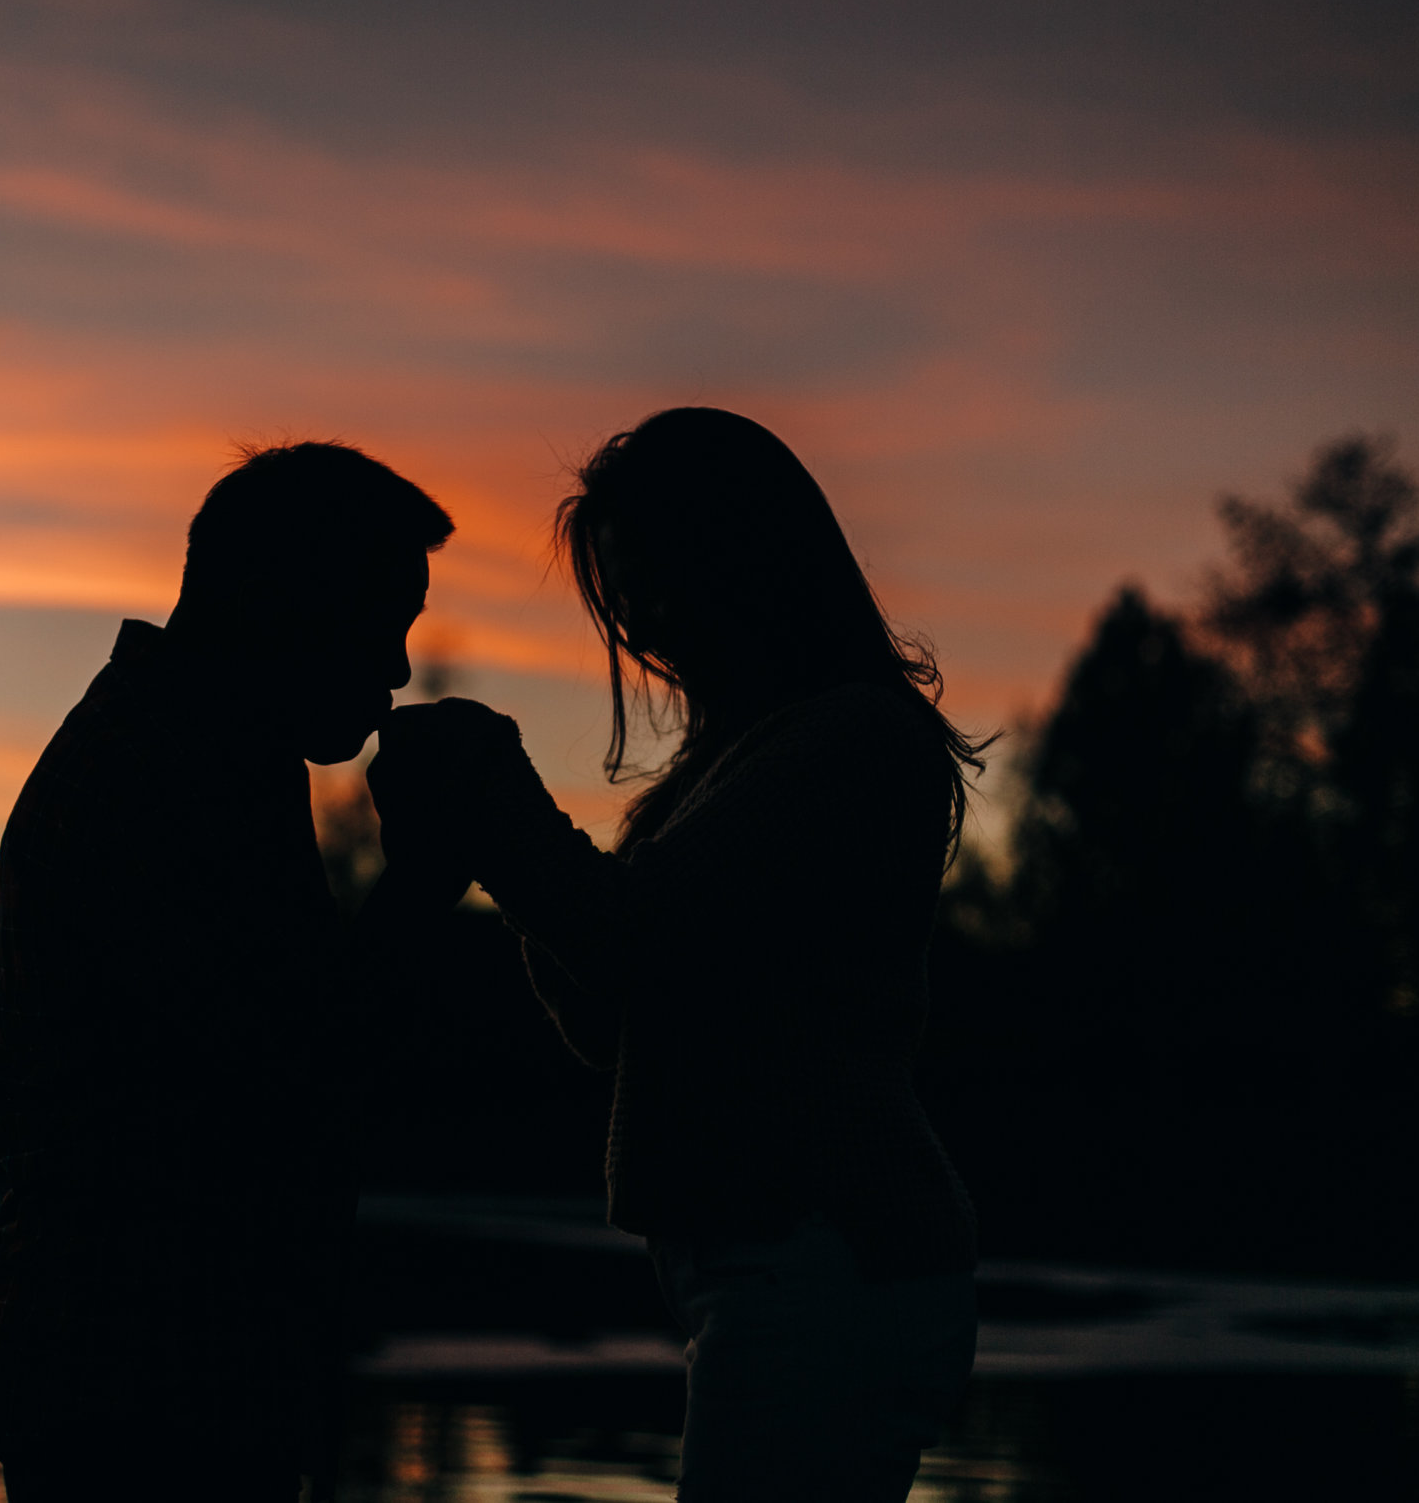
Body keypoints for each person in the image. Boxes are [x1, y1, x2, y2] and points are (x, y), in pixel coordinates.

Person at [370, 407, 986, 1501]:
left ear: (743, 557)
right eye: (620, 592)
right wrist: (495, 848)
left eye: (652, 579)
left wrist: (501, 811)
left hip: (831, 1246)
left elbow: (637, 942)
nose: (641, 621)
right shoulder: (726, 765)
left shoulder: (852, 742)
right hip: (763, 1261)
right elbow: (609, 1018)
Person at [0, 441, 465, 1502]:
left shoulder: (185, 747)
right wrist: (426, 875)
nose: (394, 670)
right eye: (383, 620)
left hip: (130, 1360)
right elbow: (300, 1065)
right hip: (146, 1372)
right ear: (290, 598)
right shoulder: (175, 772)